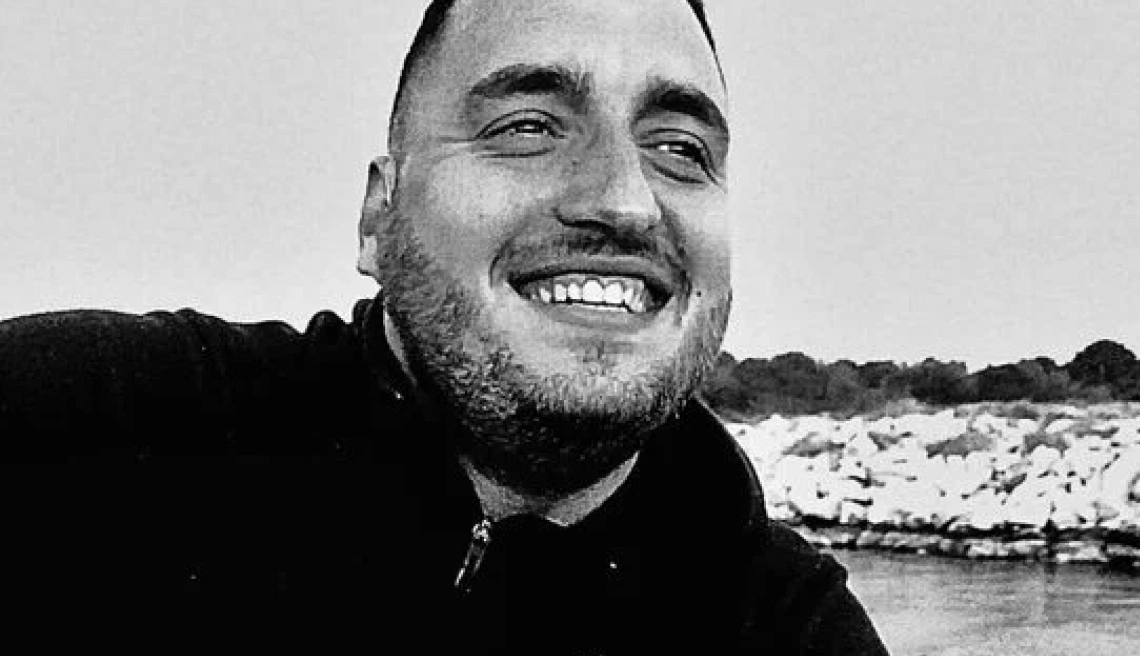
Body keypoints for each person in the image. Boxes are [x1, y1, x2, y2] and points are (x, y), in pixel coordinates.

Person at [0, 0, 889, 653]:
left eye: (681, 149)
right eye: (528, 127)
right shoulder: (90, 431)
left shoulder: (787, 626)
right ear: (379, 219)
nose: (624, 200)